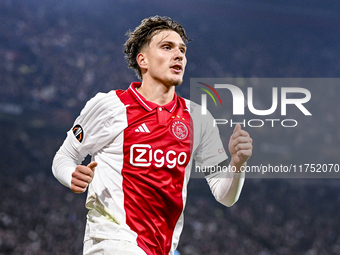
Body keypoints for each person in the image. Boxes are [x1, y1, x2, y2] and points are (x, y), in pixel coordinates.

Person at [52, 16, 253, 255]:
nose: (178, 55)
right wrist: (71, 174)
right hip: (111, 242)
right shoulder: (110, 106)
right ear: (143, 60)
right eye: (167, 47)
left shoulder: (198, 118)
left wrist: (237, 164)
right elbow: (64, 156)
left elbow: (224, 196)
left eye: (182, 50)